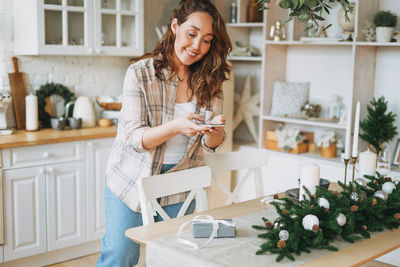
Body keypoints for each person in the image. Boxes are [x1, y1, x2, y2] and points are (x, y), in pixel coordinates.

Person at [97, 0, 232, 266]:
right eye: (192, 34)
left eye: (207, 40)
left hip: (180, 182)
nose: (197, 46)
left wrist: (213, 130)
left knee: (171, 257)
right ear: (175, 26)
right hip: (133, 179)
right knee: (120, 256)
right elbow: (135, 138)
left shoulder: (211, 79)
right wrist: (177, 126)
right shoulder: (140, 73)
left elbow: (212, 145)